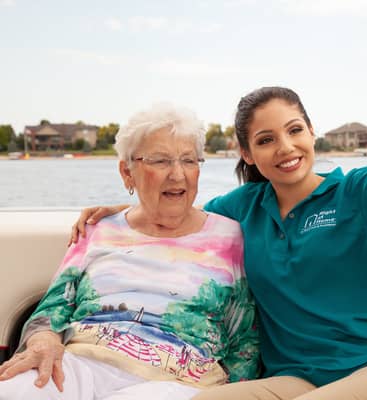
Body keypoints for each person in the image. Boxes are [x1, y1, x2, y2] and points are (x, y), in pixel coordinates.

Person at [68, 87, 367, 400]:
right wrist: (122, 212)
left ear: (312, 133)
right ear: (247, 154)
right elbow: (178, 209)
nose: (285, 147)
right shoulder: (239, 209)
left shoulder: (355, 194)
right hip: (293, 381)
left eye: (294, 130)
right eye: (266, 140)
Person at [0, 103, 259, 400]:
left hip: (178, 380)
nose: (177, 175)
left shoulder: (230, 237)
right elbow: (53, 307)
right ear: (127, 171)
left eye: (189, 161)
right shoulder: (98, 228)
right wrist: (43, 338)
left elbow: (245, 339)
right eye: (161, 161)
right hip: (79, 363)